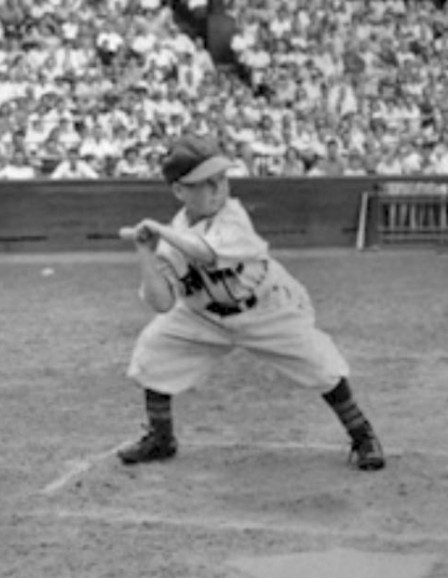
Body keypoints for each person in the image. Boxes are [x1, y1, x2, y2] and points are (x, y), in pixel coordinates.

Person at [115, 135, 385, 472]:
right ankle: (161, 438)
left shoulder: (233, 216)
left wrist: (162, 233)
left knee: (321, 364)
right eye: (205, 183)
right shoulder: (171, 239)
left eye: (221, 179)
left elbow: (205, 253)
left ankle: (362, 435)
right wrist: (146, 253)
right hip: (203, 316)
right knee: (153, 350)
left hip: (266, 308)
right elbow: (161, 303)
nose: (218, 189)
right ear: (179, 191)